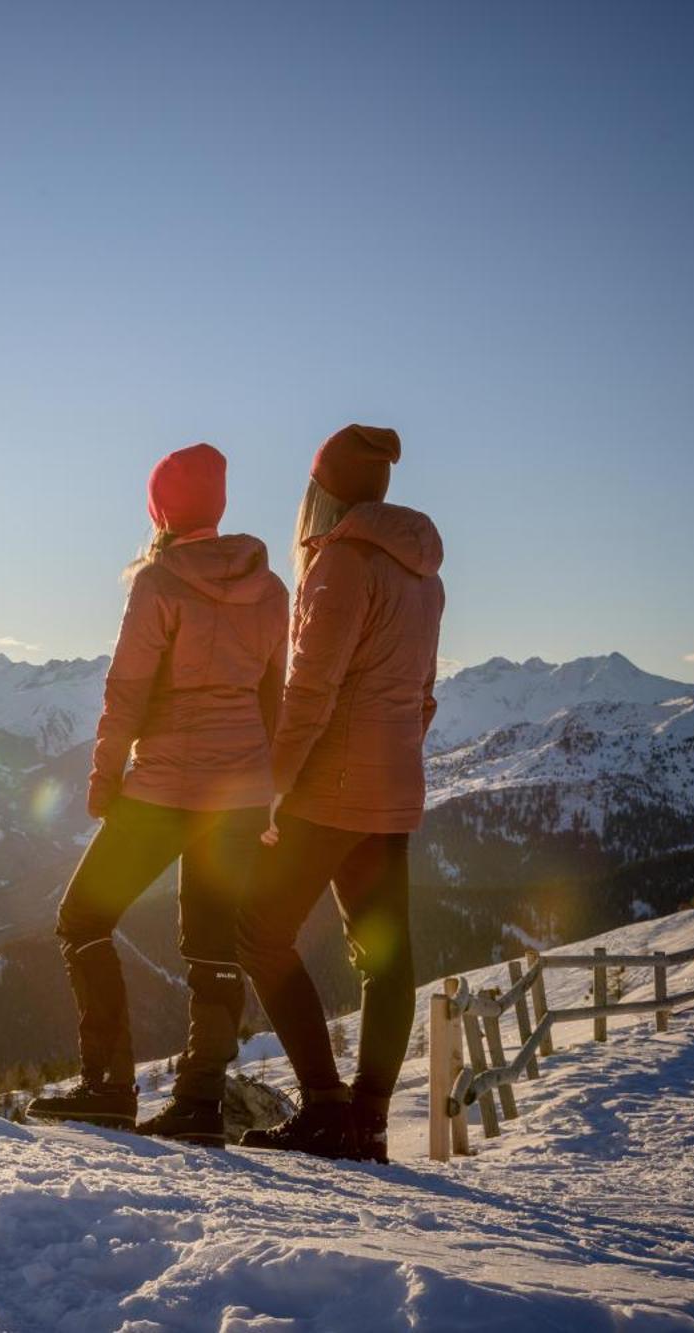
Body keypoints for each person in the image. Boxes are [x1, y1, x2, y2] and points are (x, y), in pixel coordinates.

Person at [27, 443, 288, 1146]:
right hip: (239, 791)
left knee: (83, 918)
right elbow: (275, 698)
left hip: (165, 785)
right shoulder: (270, 588)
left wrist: (104, 777)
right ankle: (199, 1102)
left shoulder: (159, 581)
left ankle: (108, 1086)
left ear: (161, 510)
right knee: (212, 944)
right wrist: (272, 796)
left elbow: (128, 690)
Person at [236, 424, 445, 1164]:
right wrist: (395, 763)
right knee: (385, 958)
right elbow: (422, 696)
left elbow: (310, 692)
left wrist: (276, 786)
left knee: (258, 932)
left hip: (332, 786)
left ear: (321, 495)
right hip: (393, 787)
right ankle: (370, 1124)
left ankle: (326, 1108)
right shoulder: (424, 573)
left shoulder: (339, 565)